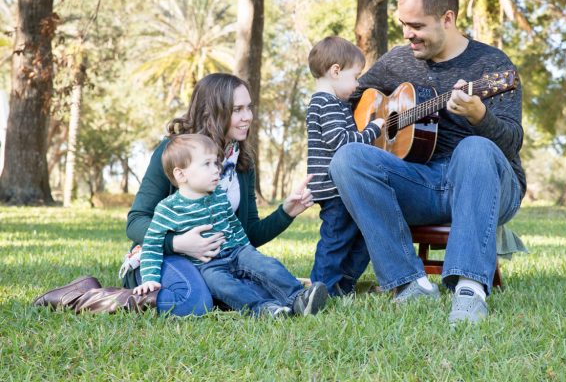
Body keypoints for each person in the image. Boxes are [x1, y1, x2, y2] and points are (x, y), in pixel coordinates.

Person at [329, 0, 526, 324]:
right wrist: (377, 121)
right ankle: (408, 283)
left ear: (447, 19)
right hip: (419, 181)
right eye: (404, 24)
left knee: (474, 148)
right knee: (348, 158)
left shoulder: (493, 67)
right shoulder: (396, 62)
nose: (407, 34)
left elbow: (511, 143)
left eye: (416, 26)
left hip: (486, 183)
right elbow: (353, 100)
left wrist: (480, 117)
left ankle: (469, 288)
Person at [34, 73, 316, 316]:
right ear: (214, 112)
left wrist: (286, 212)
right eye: (237, 109)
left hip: (216, 260)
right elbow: (136, 222)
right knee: (193, 303)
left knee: (251, 286)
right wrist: (180, 242)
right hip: (162, 254)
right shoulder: (174, 154)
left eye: (249, 108)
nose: (248, 117)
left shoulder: (241, 160)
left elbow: (247, 233)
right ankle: (83, 294)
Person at [133, 133, 327, 318]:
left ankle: (299, 298)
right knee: (225, 286)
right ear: (181, 175)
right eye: (207, 164)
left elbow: (234, 224)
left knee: (267, 266)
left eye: (216, 163)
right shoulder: (168, 209)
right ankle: (263, 309)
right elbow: (152, 245)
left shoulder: (218, 196)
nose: (217, 169)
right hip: (207, 265)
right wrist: (150, 278)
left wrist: (247, 250)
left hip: (237, 251)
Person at [305, 36, 384, 296]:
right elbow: (341, 142)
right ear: (336, 71)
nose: (358, 83)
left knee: (363, 234)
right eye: (356, 76)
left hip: (343, 186)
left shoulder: (337, 104)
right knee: (335, 239)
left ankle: (342, 284)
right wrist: (373, 129)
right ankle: (320, 287)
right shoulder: (324, 103)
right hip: (332, 187)